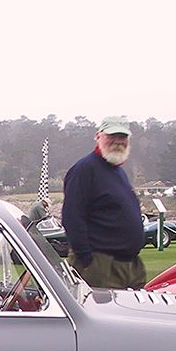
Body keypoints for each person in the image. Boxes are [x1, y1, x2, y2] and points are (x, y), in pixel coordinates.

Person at [60, 116, 147, 289]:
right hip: (101, 266)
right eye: (112, 136)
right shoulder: (84, 169)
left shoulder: (118, 172)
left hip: (130, 265)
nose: (117, 141)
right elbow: (72, 217)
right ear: (98, 136)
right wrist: (87, 261)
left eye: (122, 137)